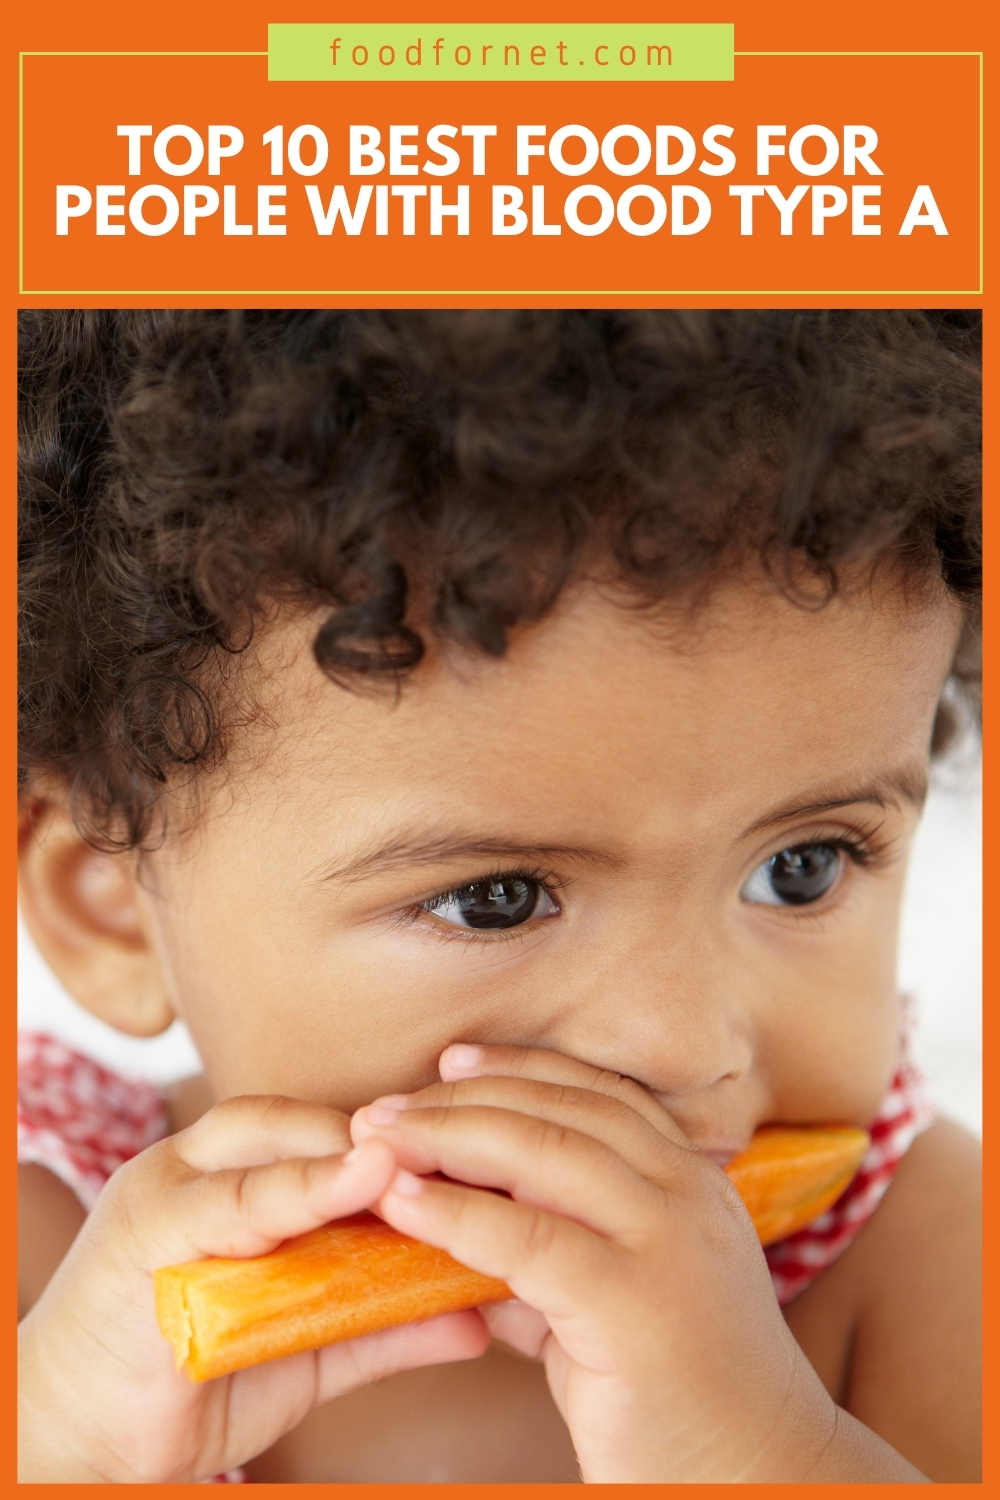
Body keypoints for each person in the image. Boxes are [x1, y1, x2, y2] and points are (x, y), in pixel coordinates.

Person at [17, 309, 981, 1483]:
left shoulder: (906, 1257)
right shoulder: (48, 1267)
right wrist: (61, 1451)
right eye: (496, 900)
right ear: (111, 907)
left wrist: (765, 1453)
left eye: (802, 866)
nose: (680, 1048)